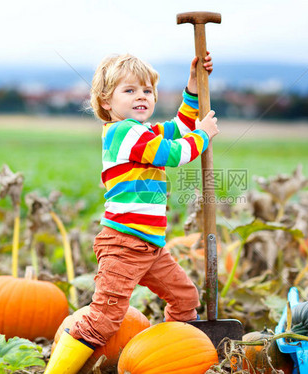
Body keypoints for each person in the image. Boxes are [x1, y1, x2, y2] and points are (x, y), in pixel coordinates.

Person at [45, 53, 219, 373]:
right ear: (106, 102)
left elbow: (179, 128)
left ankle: (174, 359)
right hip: (124, 244)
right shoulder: (124, 133)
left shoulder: (143, 131)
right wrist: (204, 135)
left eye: (147, 91)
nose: (141, 96)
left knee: (184, 297)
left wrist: (192, 89)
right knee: (104, 319)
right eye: (129, 91)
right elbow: (176, 152)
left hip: (149, 245)